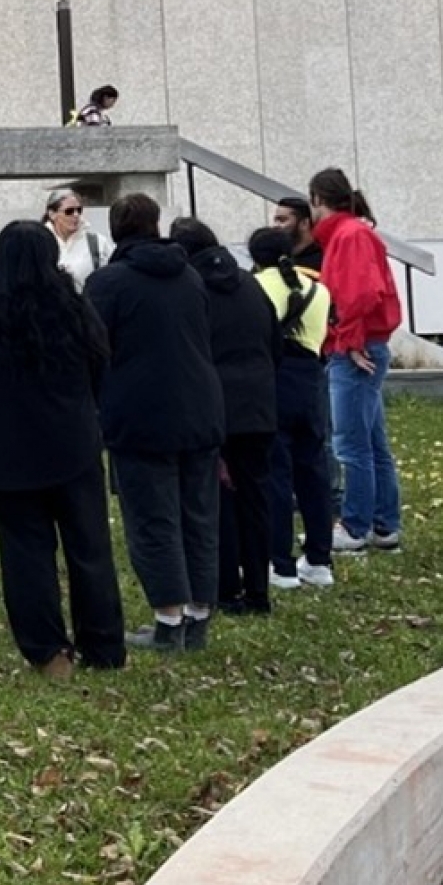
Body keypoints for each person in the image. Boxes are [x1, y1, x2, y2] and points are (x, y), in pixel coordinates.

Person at [0, 220, 125, 677]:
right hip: (71, 443)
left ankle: (49, 652)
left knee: (25, 552)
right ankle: (104, 645)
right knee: (89, 547)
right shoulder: (73, 309)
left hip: (8, 450)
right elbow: (99, 367)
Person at [83, 193, 224, 653]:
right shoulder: (191, 277)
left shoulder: (108, 283)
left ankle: (168, 621)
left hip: (139, 412)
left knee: (152, 519)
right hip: (200, 407)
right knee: (199, 515)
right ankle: (199, 617)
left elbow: (94, 348)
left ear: (117, 229)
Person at [169, 218, 279, 617]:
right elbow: (274, 343)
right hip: (260, 405)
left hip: (215, 406)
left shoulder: (193, 290)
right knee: (256, 496)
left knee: (218, 498)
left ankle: (226, 589)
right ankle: (259, 591)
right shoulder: (251, 285)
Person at [310, 168, 404, 555]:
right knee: (370, 441)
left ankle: (355, 525)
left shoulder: (348, 236)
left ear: (317, 200)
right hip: (368, 343)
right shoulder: (355, 233)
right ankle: (383, 523)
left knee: (351, 443)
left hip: (356, 349)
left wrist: (349, 341)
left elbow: (359, 294)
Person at [248, 227, 335, 590]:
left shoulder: (257, 287)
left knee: (277, 475)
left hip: (276, 378)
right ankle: (319, 560)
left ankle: (280, 564)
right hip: (312, 378)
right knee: (314, 474)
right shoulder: (319, 288)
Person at [44, 187, 104, 291]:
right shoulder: (41, 243)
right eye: (69, 211)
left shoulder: (97, 242)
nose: (76, 215)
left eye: (79, 210)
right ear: (52, 214)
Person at [271, 195, 322, 272]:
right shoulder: (273, 257)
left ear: (304, 223)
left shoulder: (323, 261)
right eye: (275, 220)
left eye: (282, 220)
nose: (275, 226)